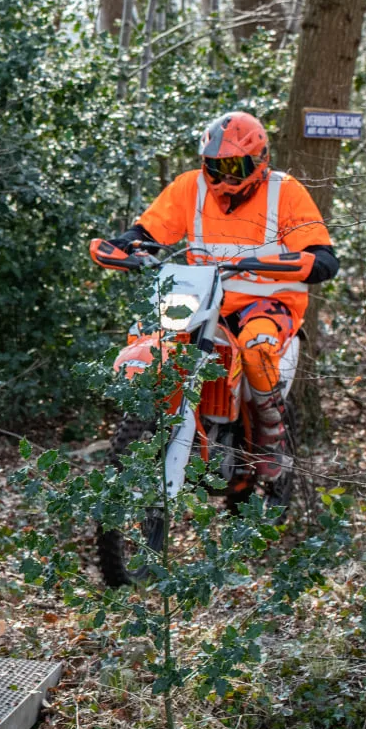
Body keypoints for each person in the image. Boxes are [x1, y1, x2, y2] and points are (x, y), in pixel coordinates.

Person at [90, 111, 341, 479]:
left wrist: (290, 262)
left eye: (235, 166)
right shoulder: (190, 187)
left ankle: (271, 432)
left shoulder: (284, 191)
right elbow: (149, 230)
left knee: (258, 349)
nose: (224, 177)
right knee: (154, 336)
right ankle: (160, 419)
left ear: (258, 161)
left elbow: (323, 258)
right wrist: (127, 246)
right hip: (202, 297)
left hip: (265, 301)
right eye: (214, 165)